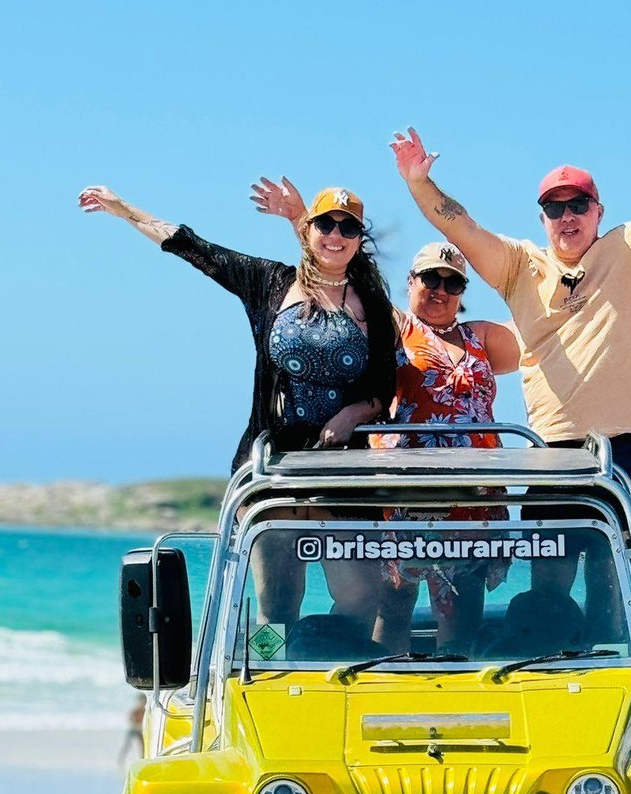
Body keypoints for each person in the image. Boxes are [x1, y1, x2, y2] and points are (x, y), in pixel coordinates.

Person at [390, 65, 631, 528]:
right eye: (554, 207)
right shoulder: (520, 266)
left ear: (598, 211)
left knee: (618, 568)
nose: (567, 216)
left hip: (630, 445)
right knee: (550, 581)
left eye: (578, 205)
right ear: (542, 218)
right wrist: (419, 183)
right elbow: (461, 228)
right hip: (553, 448)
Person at [78, 184, 397, 629]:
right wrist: (123, 209)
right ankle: (279, 684)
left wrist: (354, 414)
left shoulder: (376, 308)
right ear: (309, 230)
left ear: (360, 239)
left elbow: (386, 386)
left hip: (340, 473)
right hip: (274, 467)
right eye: (326, 223)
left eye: (348, 227)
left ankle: (326, 660)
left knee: (362, 597)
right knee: (278, 603)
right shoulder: (269, 282)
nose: (336, 234)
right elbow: (193, 248)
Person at [251, 178, 520, 652]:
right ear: (410, 282)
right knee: (305, 603)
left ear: (462, 291)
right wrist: (301, 220)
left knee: (460, 612)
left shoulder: (482, 336)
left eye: (451, 281)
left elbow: (545, 334)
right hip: (400, 492)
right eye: (429, 278)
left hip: (474, 498)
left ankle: (449, 699)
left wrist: (618, 304)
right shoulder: (389, 322)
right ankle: (271, 662)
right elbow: (336, 261)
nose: (439, 289)